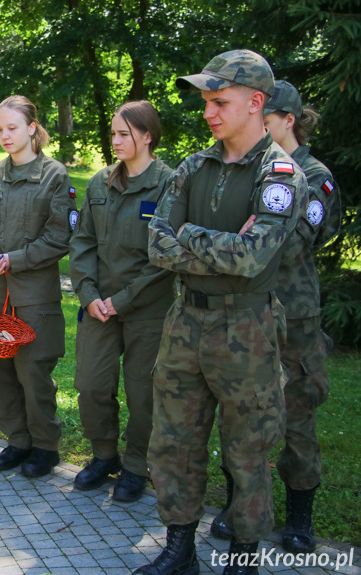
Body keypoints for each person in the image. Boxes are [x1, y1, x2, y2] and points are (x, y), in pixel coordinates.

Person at [134, 50, 307, 575]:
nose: (209, 112)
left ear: (256, 103)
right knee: (173, 442)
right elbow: (156, 244)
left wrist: (186, 235)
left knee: (247, 451)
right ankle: (179, 549)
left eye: (219, 101)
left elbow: (253, 256)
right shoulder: (193, 165)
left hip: (246, 329)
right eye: (207, 101)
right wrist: (212, 242)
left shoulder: (279, 174)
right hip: (185, 322)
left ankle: (243, 557)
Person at [209, 80, 341, 554]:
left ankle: (299, 516)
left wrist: (246, 236)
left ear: (289, 119)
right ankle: (235, 504)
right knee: (239, 413)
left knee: (297, 416)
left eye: (267, 119)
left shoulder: (313, 175)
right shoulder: (250, 166)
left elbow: (298, 236)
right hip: (246, 312)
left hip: (295, 316)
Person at [68, 100, 174, 502]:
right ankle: (104, 455)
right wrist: (90, 294)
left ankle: (135, 466)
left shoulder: (169, 184)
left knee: (143, 393)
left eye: (124, 134)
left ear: (147, 136)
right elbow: (83, 242)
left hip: (146, 309)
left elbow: (166, 258)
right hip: (99, 307)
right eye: (113, 133)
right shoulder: (100, 183)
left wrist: (122, 300)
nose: (115, 140)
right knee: (90, 384)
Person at [0, 95, 74, 478]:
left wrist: (16, 259)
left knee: (33, 374)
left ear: (32, 127)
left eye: (12, 128)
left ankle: (44, 446)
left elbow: (60, 237)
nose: (5, 136)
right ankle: (17, 441)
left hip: (34, 297)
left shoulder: (55, 176)